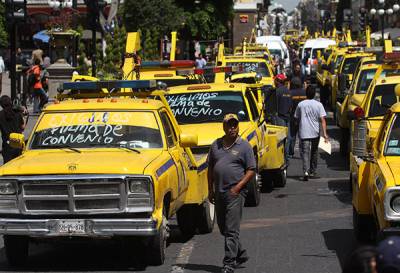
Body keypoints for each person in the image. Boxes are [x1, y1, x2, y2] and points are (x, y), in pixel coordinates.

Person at [207, 113, 256, 273]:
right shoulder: (216, 145)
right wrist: (210, 190)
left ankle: (229, 263)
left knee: (231, 229)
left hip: (235, 193)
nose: (232, 128)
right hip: (219, 191)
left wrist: (238, 187)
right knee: (223, 228)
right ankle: (240, 252)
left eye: (235, 124)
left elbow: (251, 170)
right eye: (229, 125)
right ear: (224, 127)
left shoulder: (244, 146)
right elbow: (210, 169)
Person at [294, 85, 329, 181]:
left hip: (304, 132)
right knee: (314, 152)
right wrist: (325, 134)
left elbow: (296, 118)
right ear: (314, 94)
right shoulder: (319, 105)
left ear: (306, 93)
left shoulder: (300, 104)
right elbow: (323, 120)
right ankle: (313, 171)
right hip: (315, 132)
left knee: (305, 152)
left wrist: (297, 128)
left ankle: (306, 171)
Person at [0, 95, 25, 164]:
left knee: (7, 166)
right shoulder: (17, 112)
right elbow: (23, 127)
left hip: (7, 145)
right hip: (18, 143)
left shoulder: (0, 115)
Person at [274, 73, 292, 161]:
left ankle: (281, 157)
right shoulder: (288, 91)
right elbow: (290, 105)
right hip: (287, 117)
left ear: (278, 81)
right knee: (287, 138)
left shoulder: (277, 91)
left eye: (275, 80)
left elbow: (273, 106)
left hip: (279, 117)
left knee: (280, 139)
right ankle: (286, 156)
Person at [289, 77, 307, 157]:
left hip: (293, 117)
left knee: (292, 135)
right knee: (302, 136)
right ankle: (303, 153)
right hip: (303, 118)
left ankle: (291, 152)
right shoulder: (305, 93)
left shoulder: (290, 93)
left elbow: (289, 106)